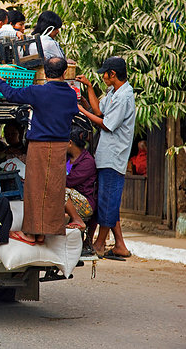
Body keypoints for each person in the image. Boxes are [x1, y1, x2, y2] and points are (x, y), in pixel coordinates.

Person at [0, 57, 78, 244]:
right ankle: (44, 232)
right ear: (64, 73)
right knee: (54, 188)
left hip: (40, 146)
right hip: (60, 147)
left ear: (45, 74)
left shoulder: (38, 91)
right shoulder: (71, 94)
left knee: (35, 188)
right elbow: (72, 112)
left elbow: (11, 95)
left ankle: (31, 233)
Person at [76, 56, 135, 258]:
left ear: (113, 74)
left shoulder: (125, 96)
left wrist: (82, 111)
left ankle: (99, 244)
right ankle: (120, 245)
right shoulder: (114, 91)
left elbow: (106, 123)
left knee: (107, 201)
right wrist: (89, 90)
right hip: (106, 154)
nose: (103, 77)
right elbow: (100, 111)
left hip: (114, 156)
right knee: (108, 200)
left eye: (105, 74)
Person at [65, 126, 97, 229]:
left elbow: (68, 181)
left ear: (70, 143)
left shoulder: (87, 162)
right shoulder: (67, 158)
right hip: (71, 200)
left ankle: (77, 219)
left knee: (59, 190)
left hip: (85, 204)